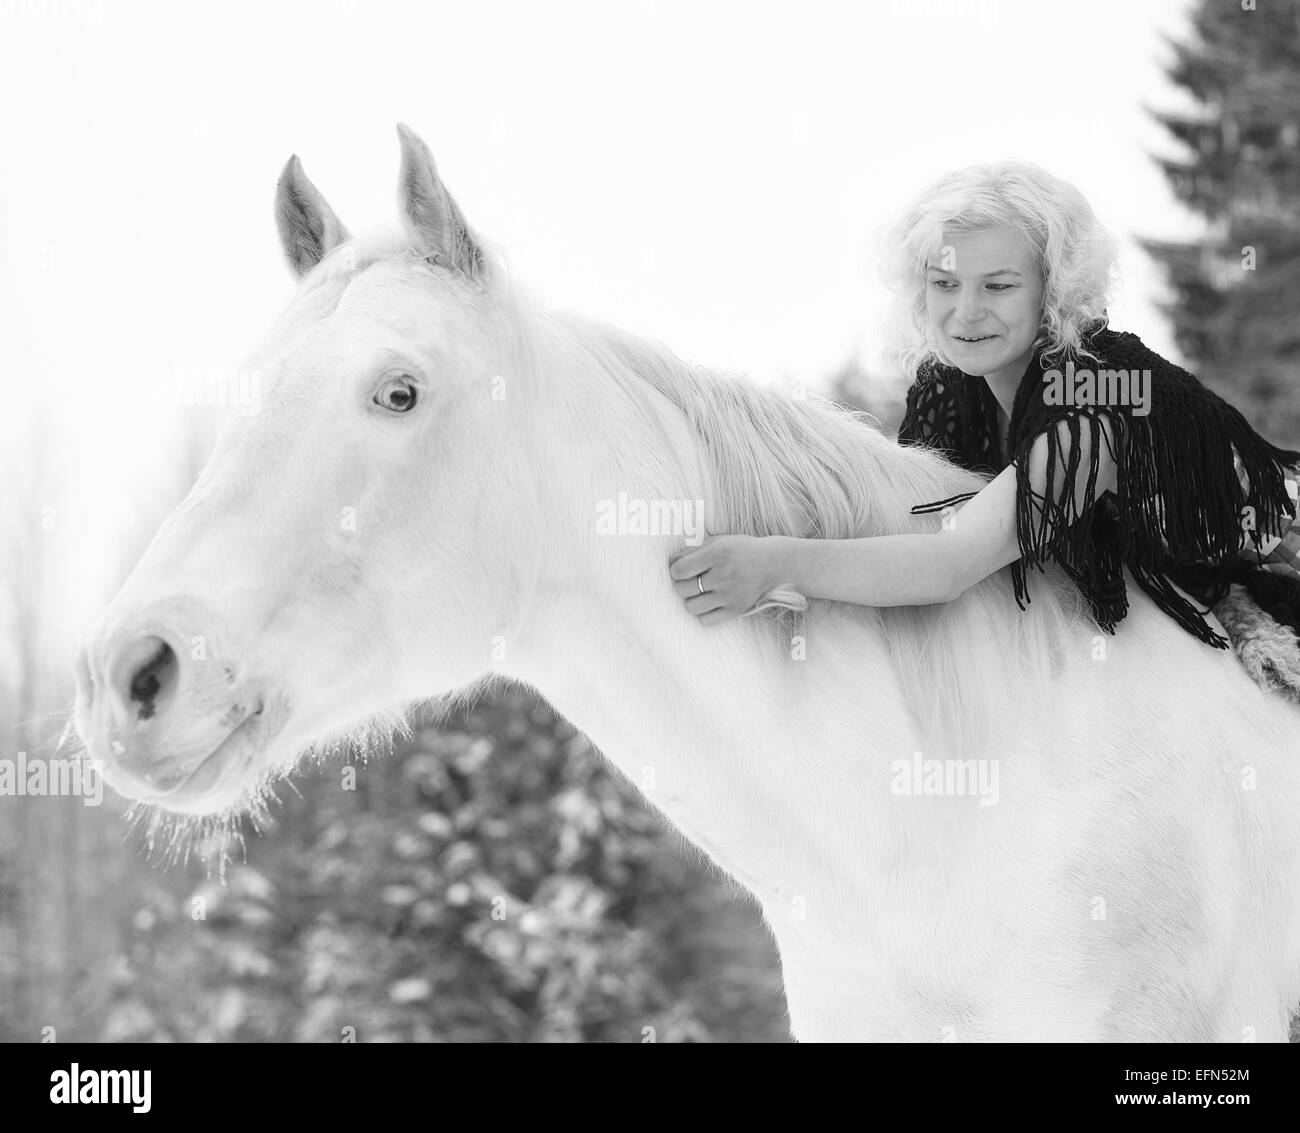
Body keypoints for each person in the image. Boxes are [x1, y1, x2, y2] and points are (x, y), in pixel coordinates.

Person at [668, 161, 1300, 648]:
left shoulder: (1098, 394)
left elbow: (948, 564)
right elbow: (909, 522)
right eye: (945, 284)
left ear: (1055, 289)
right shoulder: (953, 382)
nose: (965, 312)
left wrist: (773, 561)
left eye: (998, 285)